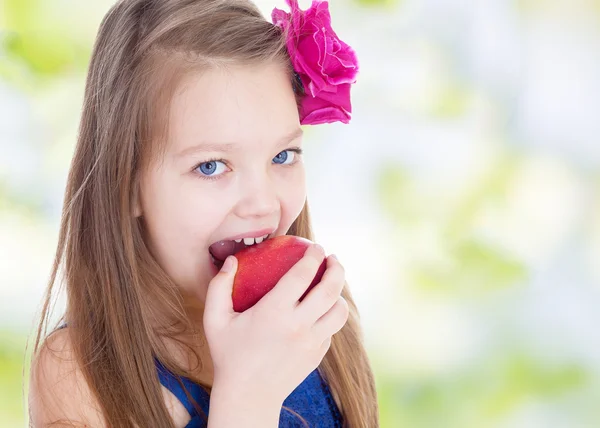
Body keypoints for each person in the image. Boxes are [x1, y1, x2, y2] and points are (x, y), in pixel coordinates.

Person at [27, 0, 379, 426]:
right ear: (128, 185)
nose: (264, 203)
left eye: (283, 155)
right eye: (211, 166)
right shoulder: (79, 374)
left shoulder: (315, 323)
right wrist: (248, 398)